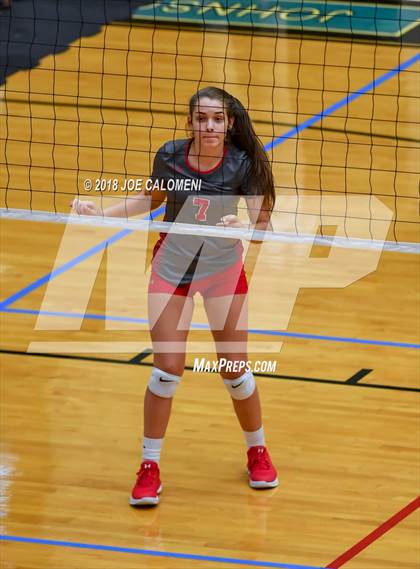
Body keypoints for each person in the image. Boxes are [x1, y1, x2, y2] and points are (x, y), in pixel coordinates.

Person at [71, 86, 279, 506]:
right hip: (173, 270)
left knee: (235, 371)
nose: (209, 126)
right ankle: (149, 466)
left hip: (221, 271)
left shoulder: (243, 165)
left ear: (230, 124)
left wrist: (241, 228)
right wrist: (102, 212)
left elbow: (263, 232)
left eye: (217, 119)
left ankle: (257, 450)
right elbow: (152, 200)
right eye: (201, 119)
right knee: (166, 370)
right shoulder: (169, 156)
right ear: (190, 122)